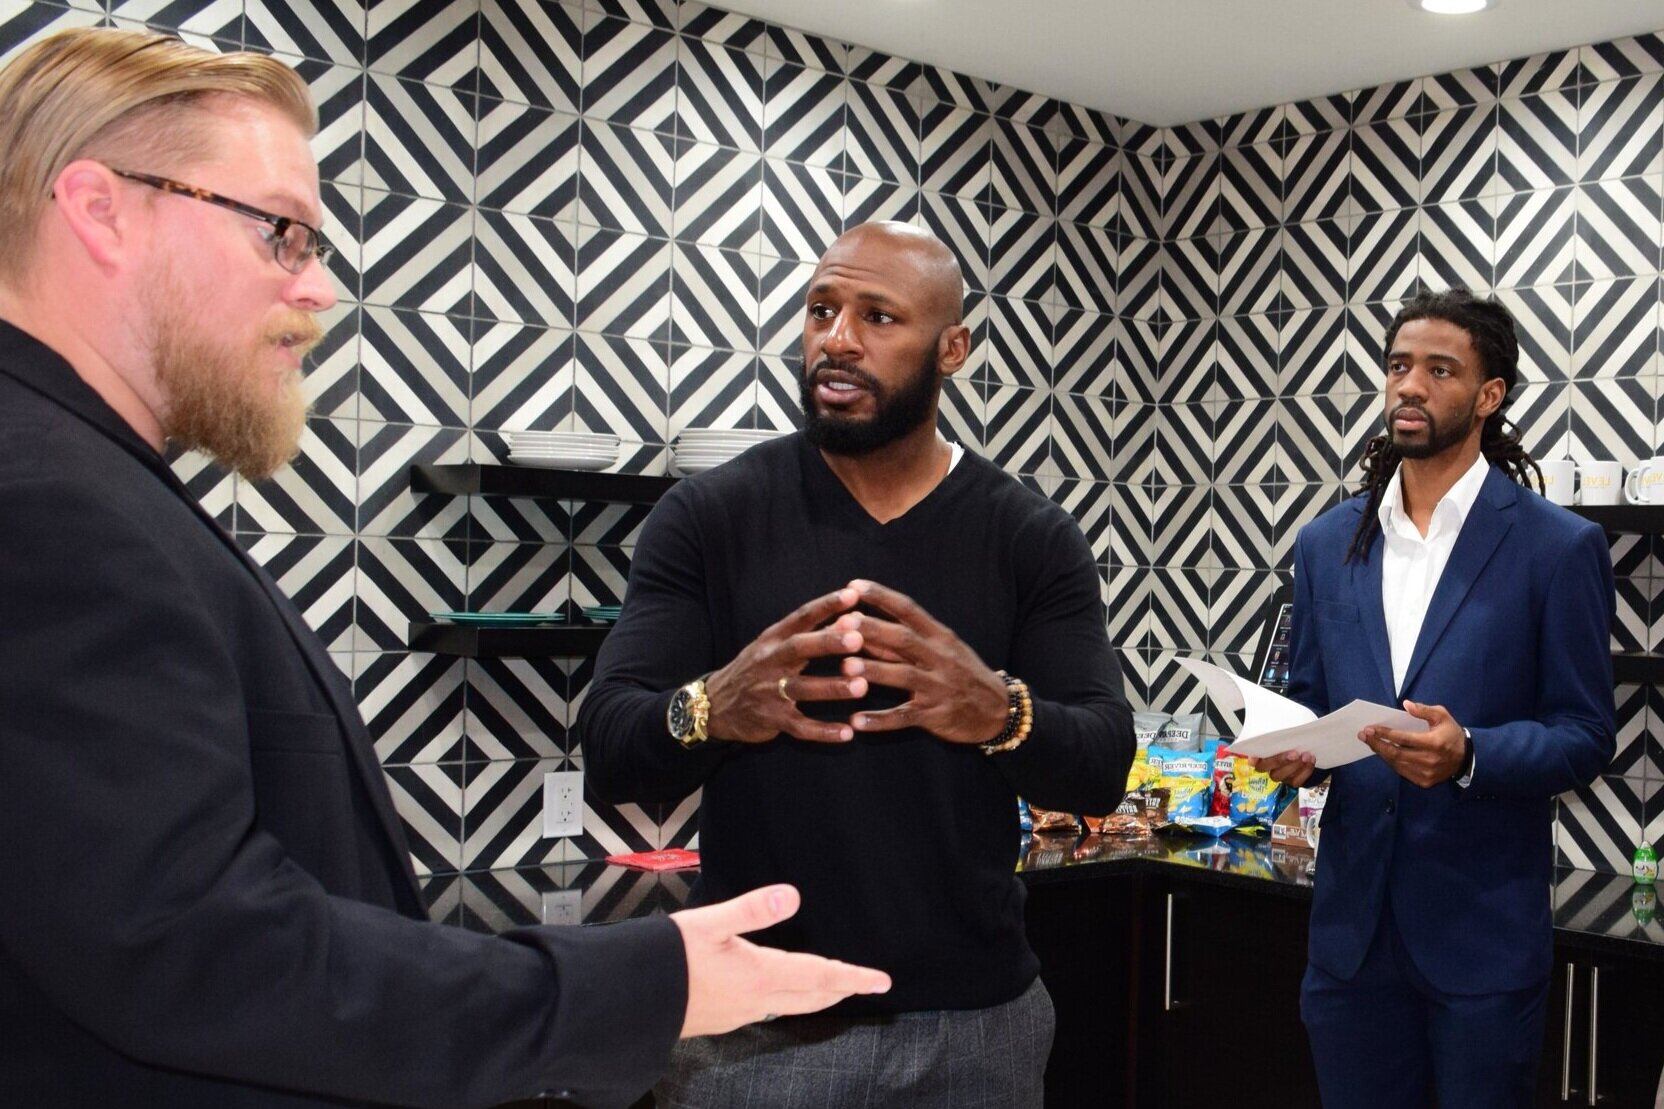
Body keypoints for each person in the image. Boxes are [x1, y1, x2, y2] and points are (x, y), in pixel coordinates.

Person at [0, 27, 891, 1109]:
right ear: (100, 210)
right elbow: (197, 949)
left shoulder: (89, 479)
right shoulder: (49, 504)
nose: (320, 288)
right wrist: (635, 981)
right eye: (283, 233)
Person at [576, 220, 1135, 1108]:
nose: (837, 339)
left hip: (978, 1029)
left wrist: (999, 711)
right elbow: (608, 746)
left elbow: (1103, 761)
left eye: (878, 316)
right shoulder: (709, 517)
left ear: (952, 349)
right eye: (821, 309)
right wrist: (714, 706)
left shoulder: (1030, 536)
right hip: (759, 1032)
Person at [1253, 287, 1615, 1108]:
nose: (1409, 385)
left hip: (1480, 945)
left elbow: (1587, 733)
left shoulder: (1558, 548)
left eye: (1439, 369)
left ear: (1490, 396)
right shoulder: (1325, 543)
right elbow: (1311, 704)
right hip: (1349, 946)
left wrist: (1471, 752)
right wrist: (1293, 757)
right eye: (1397, 365)